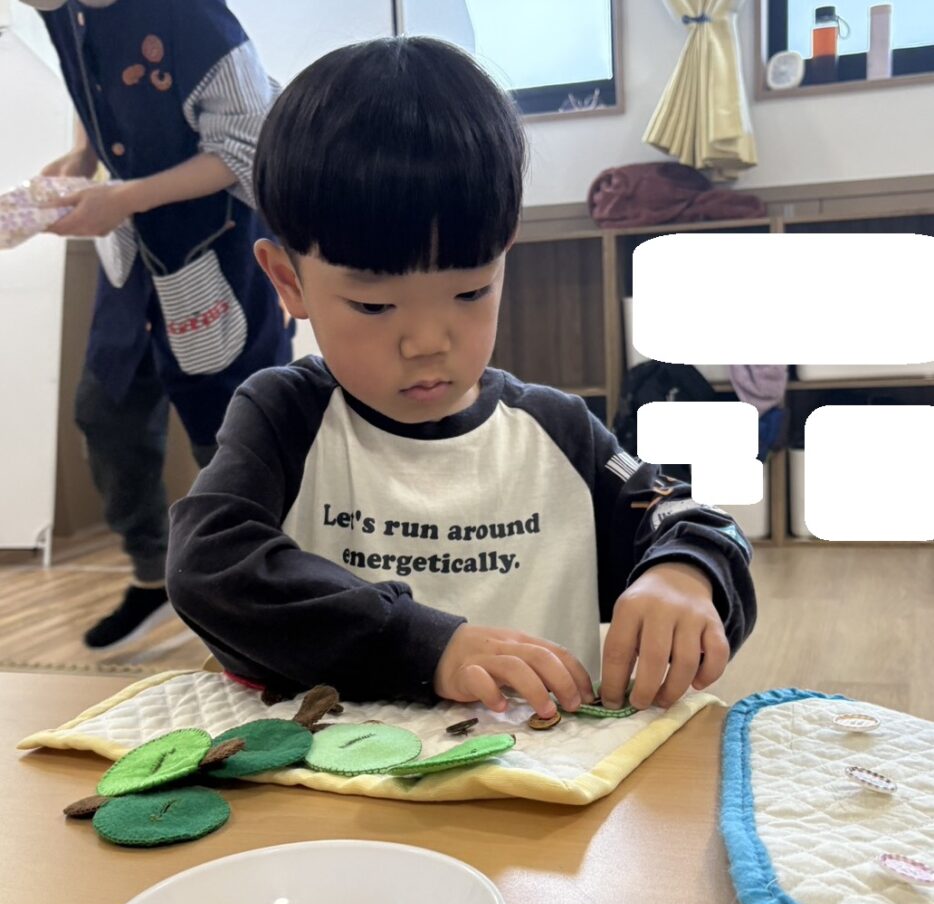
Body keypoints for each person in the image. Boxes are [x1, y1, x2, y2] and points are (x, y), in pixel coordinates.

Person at [167, 37, 757, 717]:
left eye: (471, 291)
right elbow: (207, 563)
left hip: (546, 774)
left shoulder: (560, 433)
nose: (427, 342)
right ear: (288, 280)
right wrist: (425, 646)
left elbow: (685, 516)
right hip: (332, 775)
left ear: (504, 258)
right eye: (374, 305)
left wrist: (687, 572)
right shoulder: (284, 419)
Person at [23, 0, 293, 649]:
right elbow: (93, 81)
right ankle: (154, 574)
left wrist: (126, 196)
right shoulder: (62, 10)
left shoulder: (195, 19)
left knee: (232, 433)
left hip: (218, 250)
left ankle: (265, 590)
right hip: (134, 253)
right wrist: (83, 156)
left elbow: (248, 149)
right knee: (106, 409)